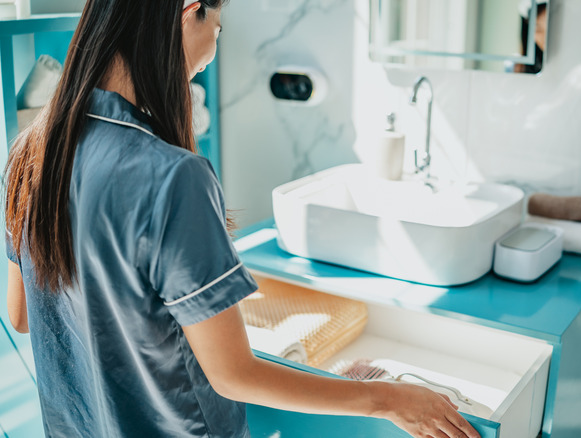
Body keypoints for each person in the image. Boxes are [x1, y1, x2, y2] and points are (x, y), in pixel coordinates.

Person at [3, 1, 481, 437]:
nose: (213, 49)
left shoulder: (30, 151)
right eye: (218, 25)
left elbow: (23, 317)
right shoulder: (172, 176)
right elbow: (234, 376)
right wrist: (387, 399)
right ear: (189, 13)